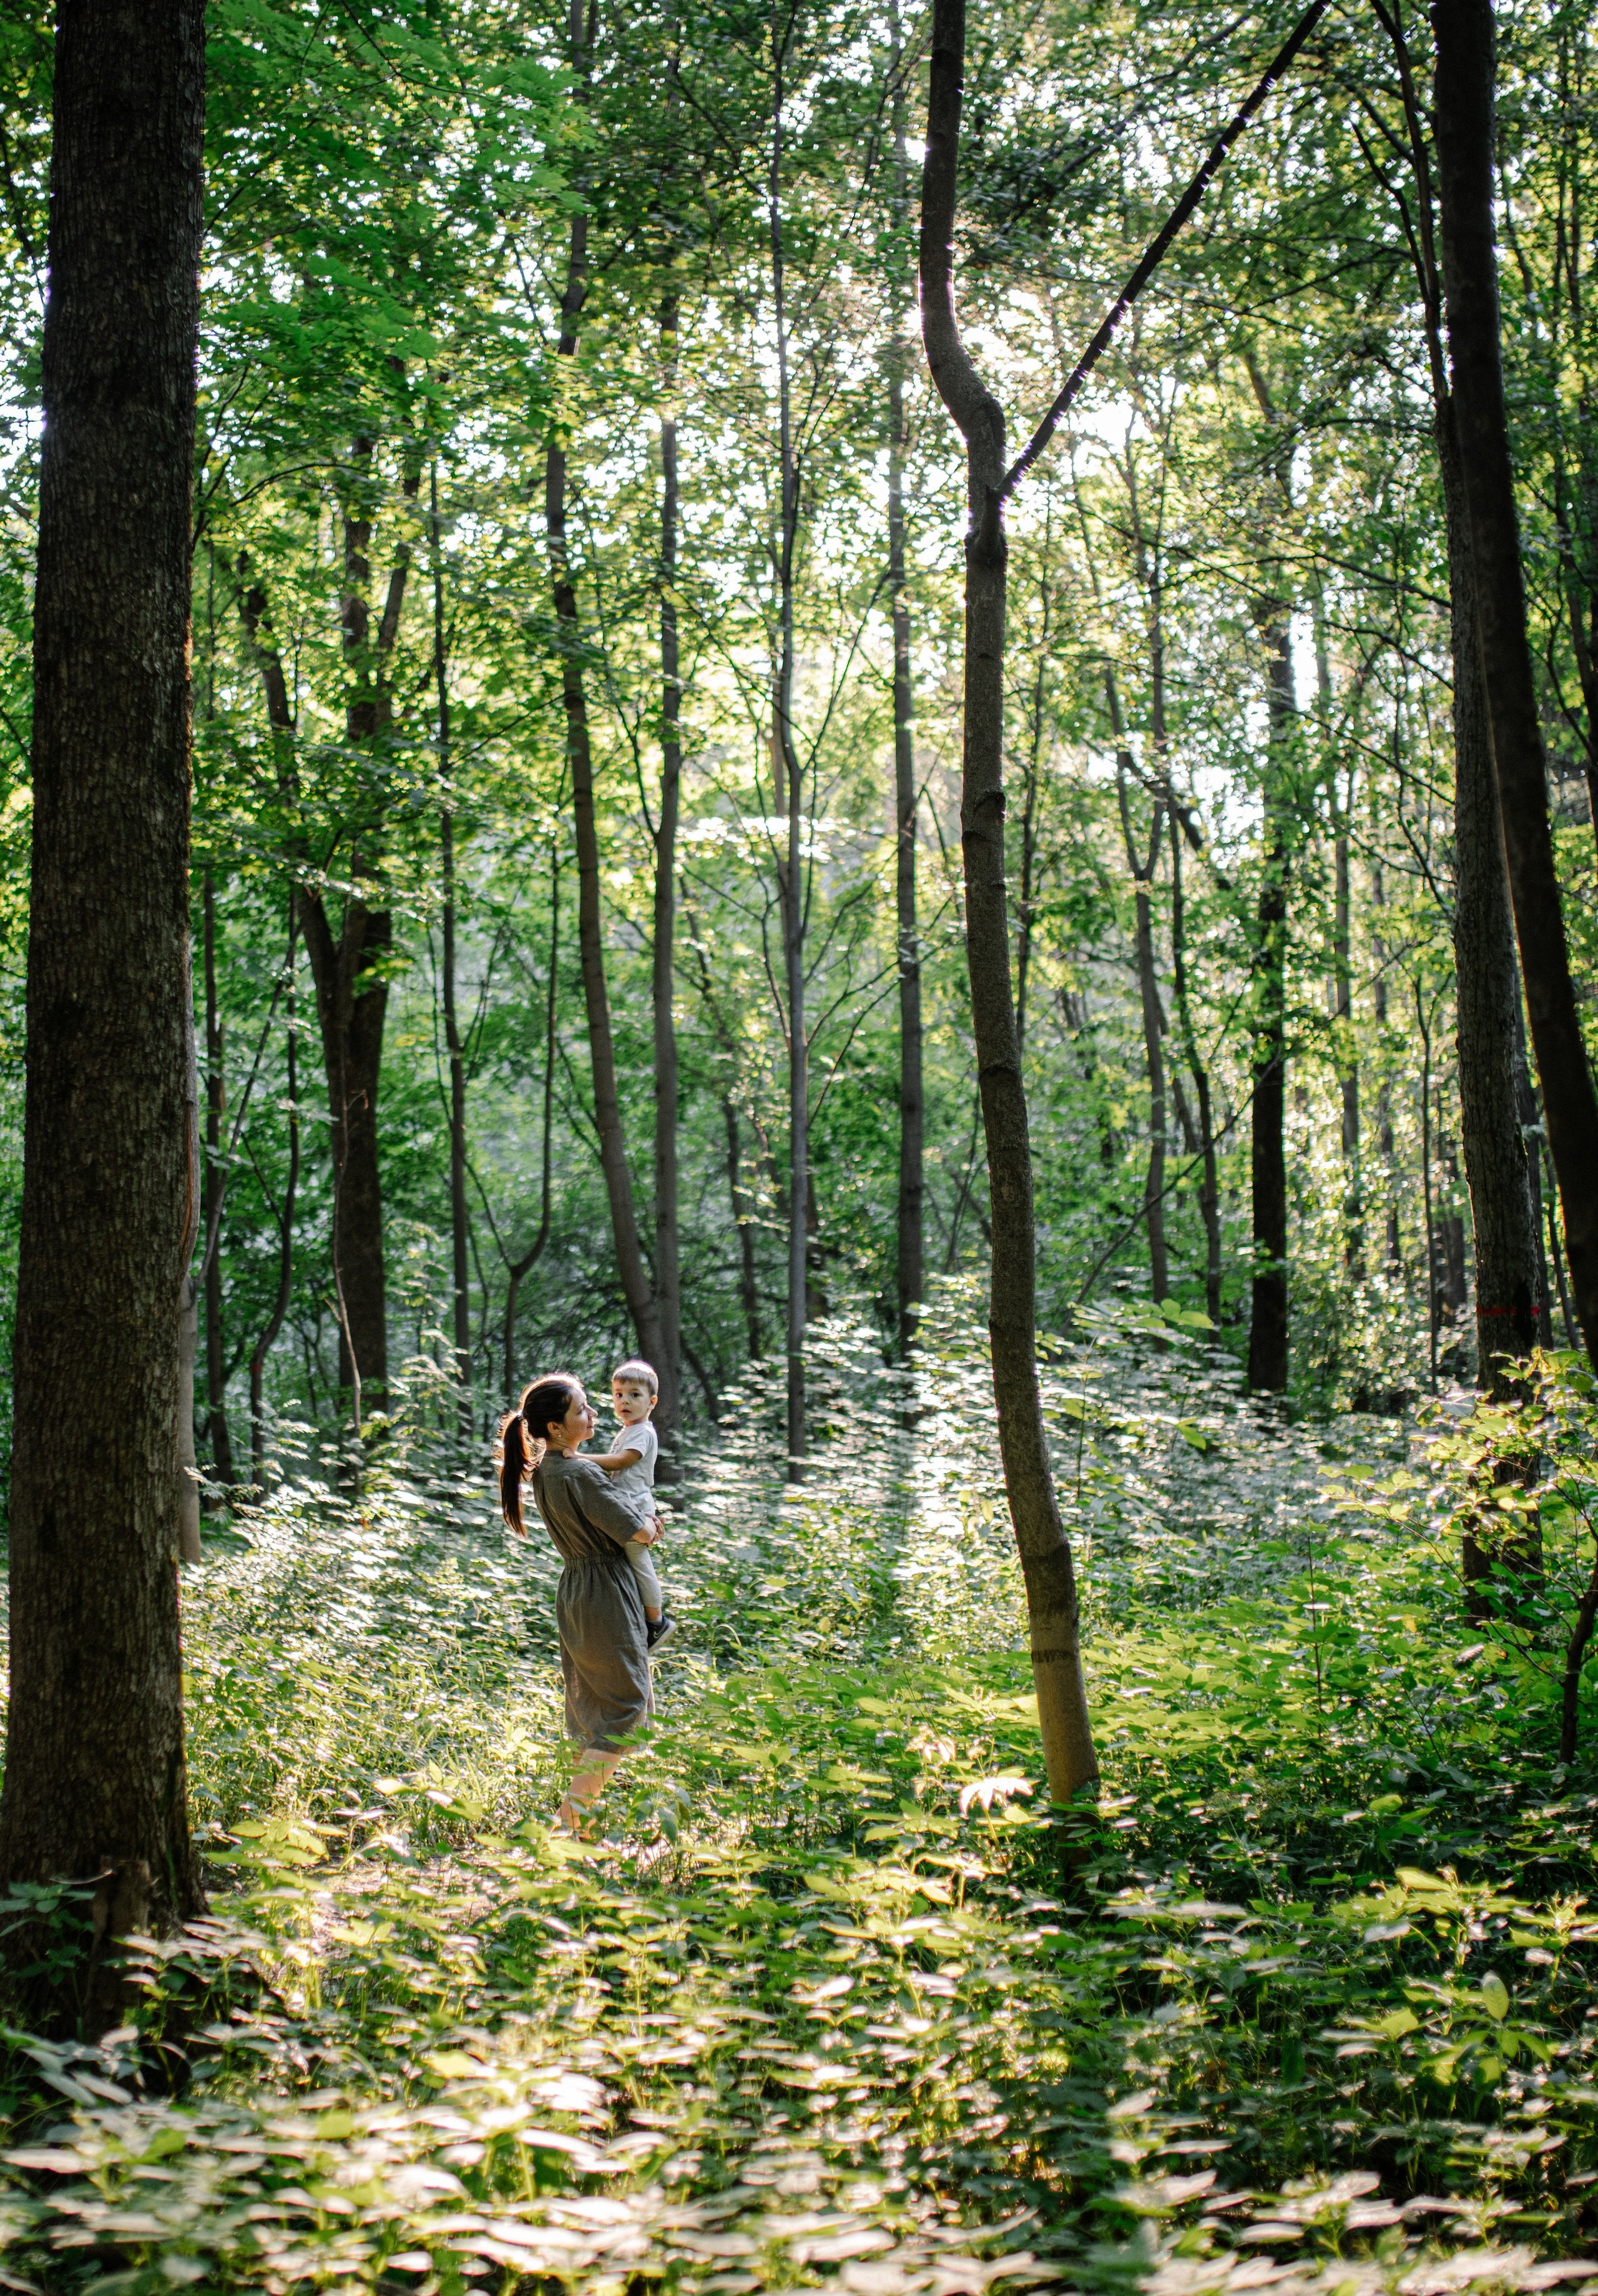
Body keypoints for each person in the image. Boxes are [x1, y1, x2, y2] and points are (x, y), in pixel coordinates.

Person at [499, 1372, 659, 1834]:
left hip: (576, 1590)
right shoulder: (581, 1473)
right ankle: (567, 1824)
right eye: (581, 1409)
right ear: (555, 1427)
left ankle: (580, 1832)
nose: (593, 1414)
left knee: (593, 1706)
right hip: (605, 1590)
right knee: (626, 1708)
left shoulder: (546, 1471)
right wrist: (651, 1523)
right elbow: (637, 1530)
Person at [589, 1357, 675, 1649]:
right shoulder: (629, 1430)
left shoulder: (643, 1432)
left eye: (635, 1395)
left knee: (640, 1563)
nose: (624, 1401)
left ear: (652, 1402)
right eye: (619, 1394)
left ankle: (657, 1622)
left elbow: (623, 1461)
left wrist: (580, 1459)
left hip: (635, 1508)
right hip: (625, 1506)